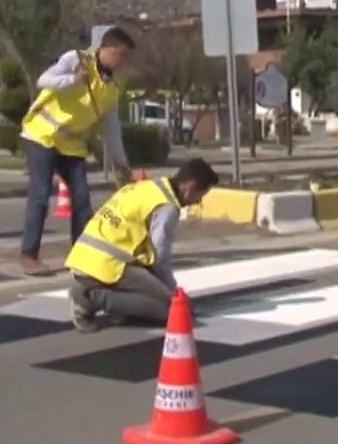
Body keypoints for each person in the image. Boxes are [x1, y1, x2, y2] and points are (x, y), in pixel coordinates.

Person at [18, 26, 136, 276]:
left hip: (72, 145)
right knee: (40, 196)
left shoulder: (111, 88)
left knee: (82, 199)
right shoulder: (77, 60)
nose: (123, 61)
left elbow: (111, 128)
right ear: (107, 49)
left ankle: (81, 254)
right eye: (122, 54)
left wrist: (121, 165)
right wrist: (72, 80)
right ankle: (29, 254)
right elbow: (43, 80)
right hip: (43, 134)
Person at [63, 158, 220, 332]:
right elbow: (160, 257)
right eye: (200, 197)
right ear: (190, 187)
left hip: (84, 257)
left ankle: (124, 306)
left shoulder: (148, 187)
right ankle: (90, 298)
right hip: (109, 263)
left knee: (151, 291)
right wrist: (174, 294)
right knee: (171, 310)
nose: (197, 202)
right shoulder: (167, 207)